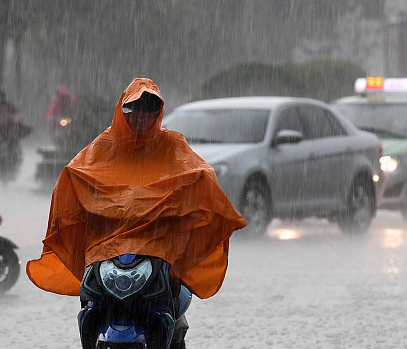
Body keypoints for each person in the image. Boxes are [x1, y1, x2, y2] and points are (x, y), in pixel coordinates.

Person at [26, 77, 246, 303]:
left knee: (171, 288)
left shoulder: (171, 144)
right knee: (90, 296)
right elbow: (78, 173)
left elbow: (198, 171)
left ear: (158, 113)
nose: (141, 117)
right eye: (134, 110)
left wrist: (195, 185)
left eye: (148, 110)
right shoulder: (105, 144)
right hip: (107, 243)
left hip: (158, 242)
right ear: (123, 112)